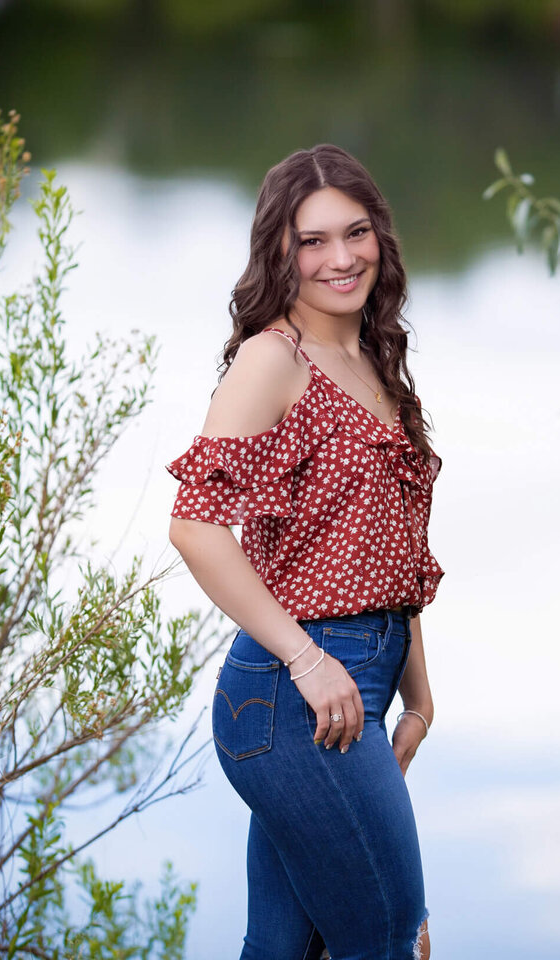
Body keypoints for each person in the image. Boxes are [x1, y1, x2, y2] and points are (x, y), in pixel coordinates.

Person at [166, 144, 443, 960]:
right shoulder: (272, 360)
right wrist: (309, 661)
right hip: (294, 697)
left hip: (363, 680)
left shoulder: (374, 359)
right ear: (279, 253)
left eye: (354, 233)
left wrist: (417, 695)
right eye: (312, 241)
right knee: (394, 937)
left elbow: (397, 548)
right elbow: (195, 526)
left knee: (285, 949)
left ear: (380, 240)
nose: (341, 257)